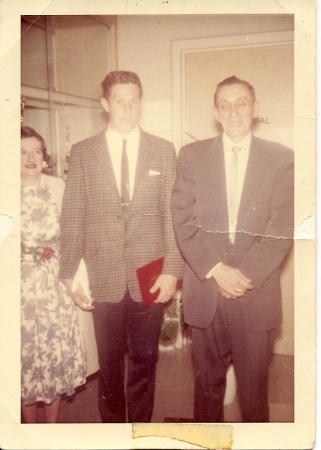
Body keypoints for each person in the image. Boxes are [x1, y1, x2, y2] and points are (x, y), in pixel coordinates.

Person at [59, 70, 183, 423]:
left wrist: (172, 270)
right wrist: (68, 273)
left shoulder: (162, 150)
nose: (127, 108)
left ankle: (139, 433)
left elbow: (173, 215)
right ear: (105, 104)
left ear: (140, 103)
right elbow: (72, 216)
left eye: (133, 100)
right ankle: (112, 434)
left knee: (146, 360)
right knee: (109, 365)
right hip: (104, 273)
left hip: (150, 273)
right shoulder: (83, 153)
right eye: (119, 100)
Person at [171, 75, 294, 423]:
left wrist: (243, 276)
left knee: (254, 395)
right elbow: (183, 219)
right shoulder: (192, 156)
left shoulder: (282, 158)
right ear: (215, 111)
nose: (233, 112)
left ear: (256, 108)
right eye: (224, 105)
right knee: (206, 391)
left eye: (241, 103)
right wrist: (217, 270)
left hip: (255, 295)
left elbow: (282, 226)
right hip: (205, 290)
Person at [21, 126, 99, 423]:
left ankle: (52, 429)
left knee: (53, 355)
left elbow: (73, 233)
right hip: (19, 289)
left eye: (36, 151)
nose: (31, 157)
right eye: (22, 152)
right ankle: (28, 428)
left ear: (45, 156)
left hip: (55, 284)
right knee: (24, 358)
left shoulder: (58, 187)